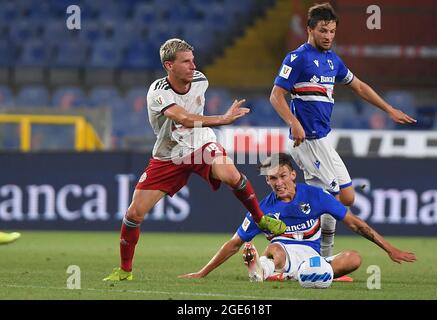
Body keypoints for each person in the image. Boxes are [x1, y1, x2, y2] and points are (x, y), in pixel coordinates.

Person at [103, 39, 286, 281]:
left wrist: (214, 126)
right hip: (169, 154)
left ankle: (261, 219)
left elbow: (193, 123)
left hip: (201, 144)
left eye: (193, 59)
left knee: (232, 176)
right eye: (186, 61)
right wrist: (223, 118)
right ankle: (125, 271)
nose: (193, 65)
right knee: (134, 214)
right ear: (169, 65)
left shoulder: (200, 80)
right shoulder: (158, 93)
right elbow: (184, 119)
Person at [269, 3, 417, 258]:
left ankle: (306, 242)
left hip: (323, 140)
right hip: (308, 141)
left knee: (345, 197)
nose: (328, 36)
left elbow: (359, 86)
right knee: (332, 200)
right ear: (310, 29)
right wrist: (294, 122)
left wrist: (389, 109)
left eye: (332, 32)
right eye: (324, 31)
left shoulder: (332, 61)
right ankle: (322, 255)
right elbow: (275, 96)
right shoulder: (297, 58)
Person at [179, 153, 416, 283]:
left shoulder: (315, 196)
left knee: (354, 258)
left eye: (282, 176)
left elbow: (355, 224)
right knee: (275, 249)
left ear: (293, 174)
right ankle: (267, 269)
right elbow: (234, 244)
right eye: (272, 179)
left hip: (312, 259)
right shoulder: (261, 209)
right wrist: (203, 272)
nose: (278, 183)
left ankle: (281, 274)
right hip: (284, 254)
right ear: (267, 181)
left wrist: (389, 249)